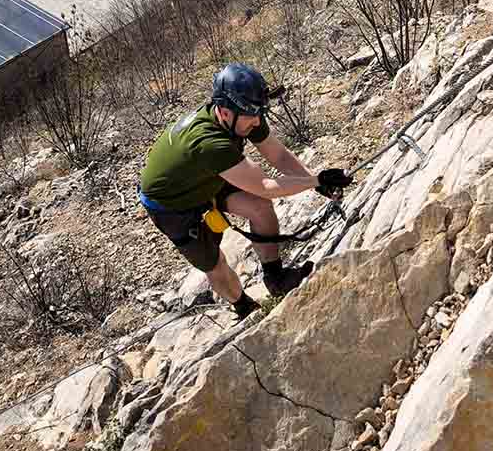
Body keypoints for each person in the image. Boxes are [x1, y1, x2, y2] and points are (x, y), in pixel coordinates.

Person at [139, 62, 353, 321]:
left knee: (260, 207)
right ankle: (243, 306)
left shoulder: (244, 114)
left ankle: (276, 279)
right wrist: (316, 180)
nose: (256, 120)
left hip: (207, 176)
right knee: (215, 264)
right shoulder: (209, 143)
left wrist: (315, 182)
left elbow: (278, 155)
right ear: (225, 112)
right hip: (172, 203)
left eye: (259, 112)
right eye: (251, 114)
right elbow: (266, 186)